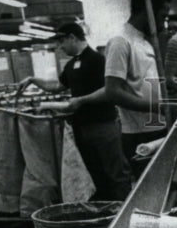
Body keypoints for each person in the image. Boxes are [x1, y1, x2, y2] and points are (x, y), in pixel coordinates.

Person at [16, 22, 131, 201]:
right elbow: (56, 86)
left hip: (104, 126)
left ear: (72, 37)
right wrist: (32, 80)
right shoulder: (71, 65)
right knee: (94, 174)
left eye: (62, 42)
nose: (59, 47)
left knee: (115, 173)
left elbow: (111, 91)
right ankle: (105, 215)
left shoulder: (99, 61)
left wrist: (81, 100)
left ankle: (124, 213)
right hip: (82, 128)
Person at [103, 0, 173, 179]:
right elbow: (112, 91)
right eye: (162, 16)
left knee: (163, 184)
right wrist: (159, 106)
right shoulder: (120, 41)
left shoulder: (144, 42)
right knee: (148, 188)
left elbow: (147, 81)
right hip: (139, 134)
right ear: (148, 10)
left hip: (157, 127)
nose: (164, 22)